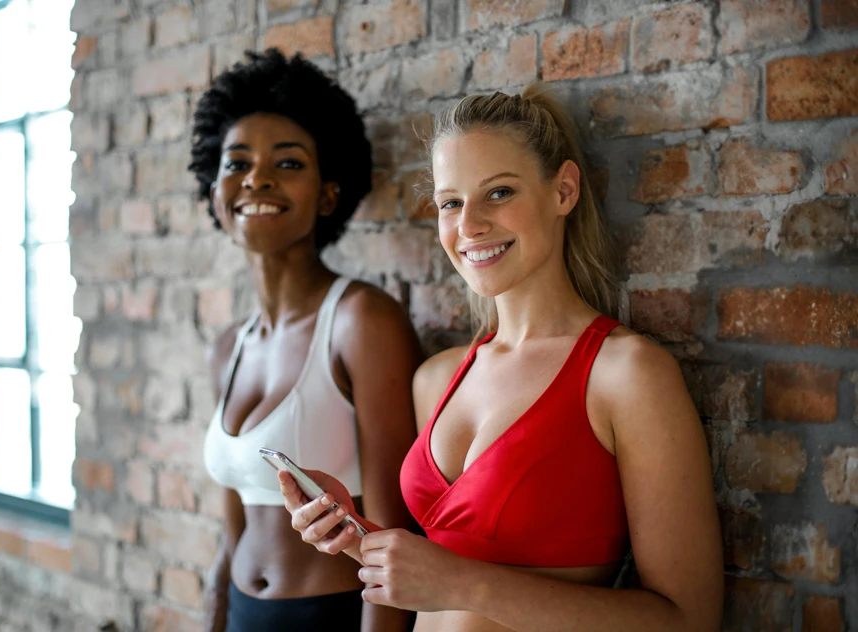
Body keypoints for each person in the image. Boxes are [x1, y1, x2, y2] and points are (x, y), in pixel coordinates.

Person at [278, 82, 724, 632]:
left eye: (499, 193)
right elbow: (444, 567)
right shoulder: (435, 378)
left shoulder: (625, 375)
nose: (468, 226)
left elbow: (689, 620)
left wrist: (462, 583)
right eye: (450, 203)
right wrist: (355, 536)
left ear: (563, 191)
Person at [189, 48, 422, 632]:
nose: (257, 179)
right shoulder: (227, 348)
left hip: (333, 616)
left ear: (327, 194)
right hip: (240, 612)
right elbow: (233, 527)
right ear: (215, 192)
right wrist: (215, 609)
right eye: (235, 163)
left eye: (287, 164)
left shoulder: (363, 321)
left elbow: (397, 541)